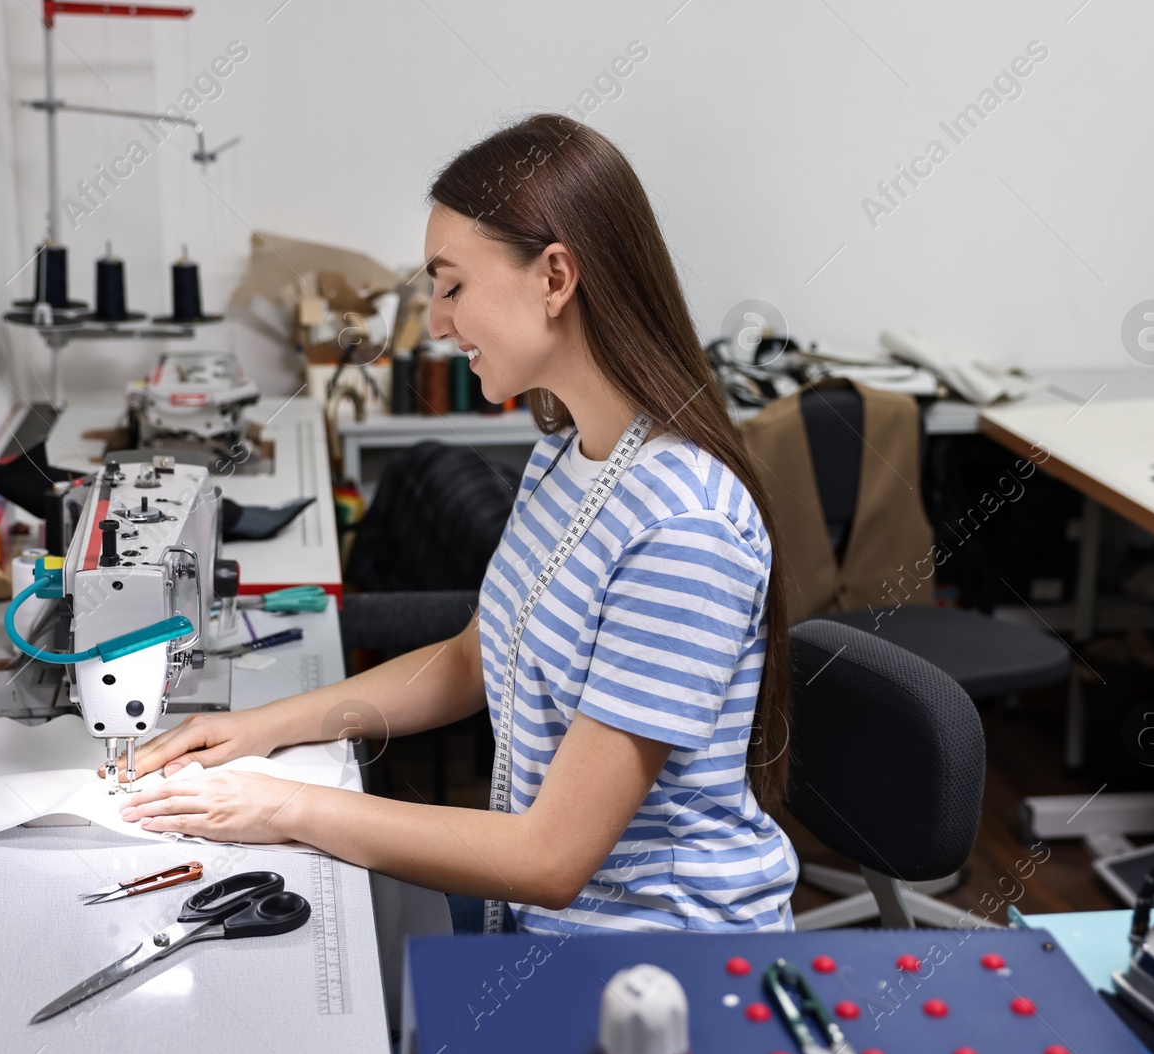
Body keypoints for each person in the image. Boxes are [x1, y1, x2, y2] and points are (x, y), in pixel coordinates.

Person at [118, 114, 799, 933]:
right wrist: (254, 732)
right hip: (542, 931)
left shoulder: (683, 529)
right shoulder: (565, 453)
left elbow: (550, 858)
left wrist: (280, 804)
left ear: (555, 277)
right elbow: (475, 658)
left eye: (452, 286)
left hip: (660, 967)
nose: (436, 323)